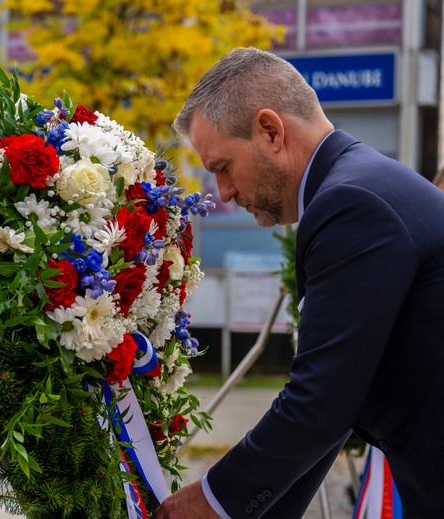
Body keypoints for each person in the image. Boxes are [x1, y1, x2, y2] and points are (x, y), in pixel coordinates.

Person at [156, 47, 444, 518]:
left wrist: (211, 503)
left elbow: (321, 407)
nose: (223, 193)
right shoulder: (355, 186)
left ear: (271, 131)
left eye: (222, 168)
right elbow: (336, 404)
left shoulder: (350, 204)